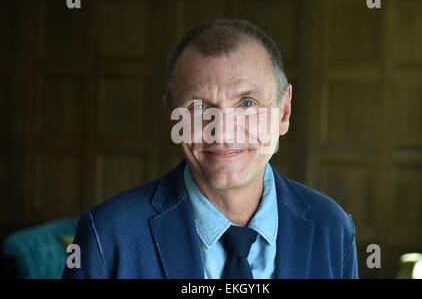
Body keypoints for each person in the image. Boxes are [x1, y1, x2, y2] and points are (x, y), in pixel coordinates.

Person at [62, 19, 358, 279]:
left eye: (247, 103)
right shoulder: (108, 233)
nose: (224, 131)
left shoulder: (332, 227)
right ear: (172, 115)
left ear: (284, 112)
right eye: (199, 107)